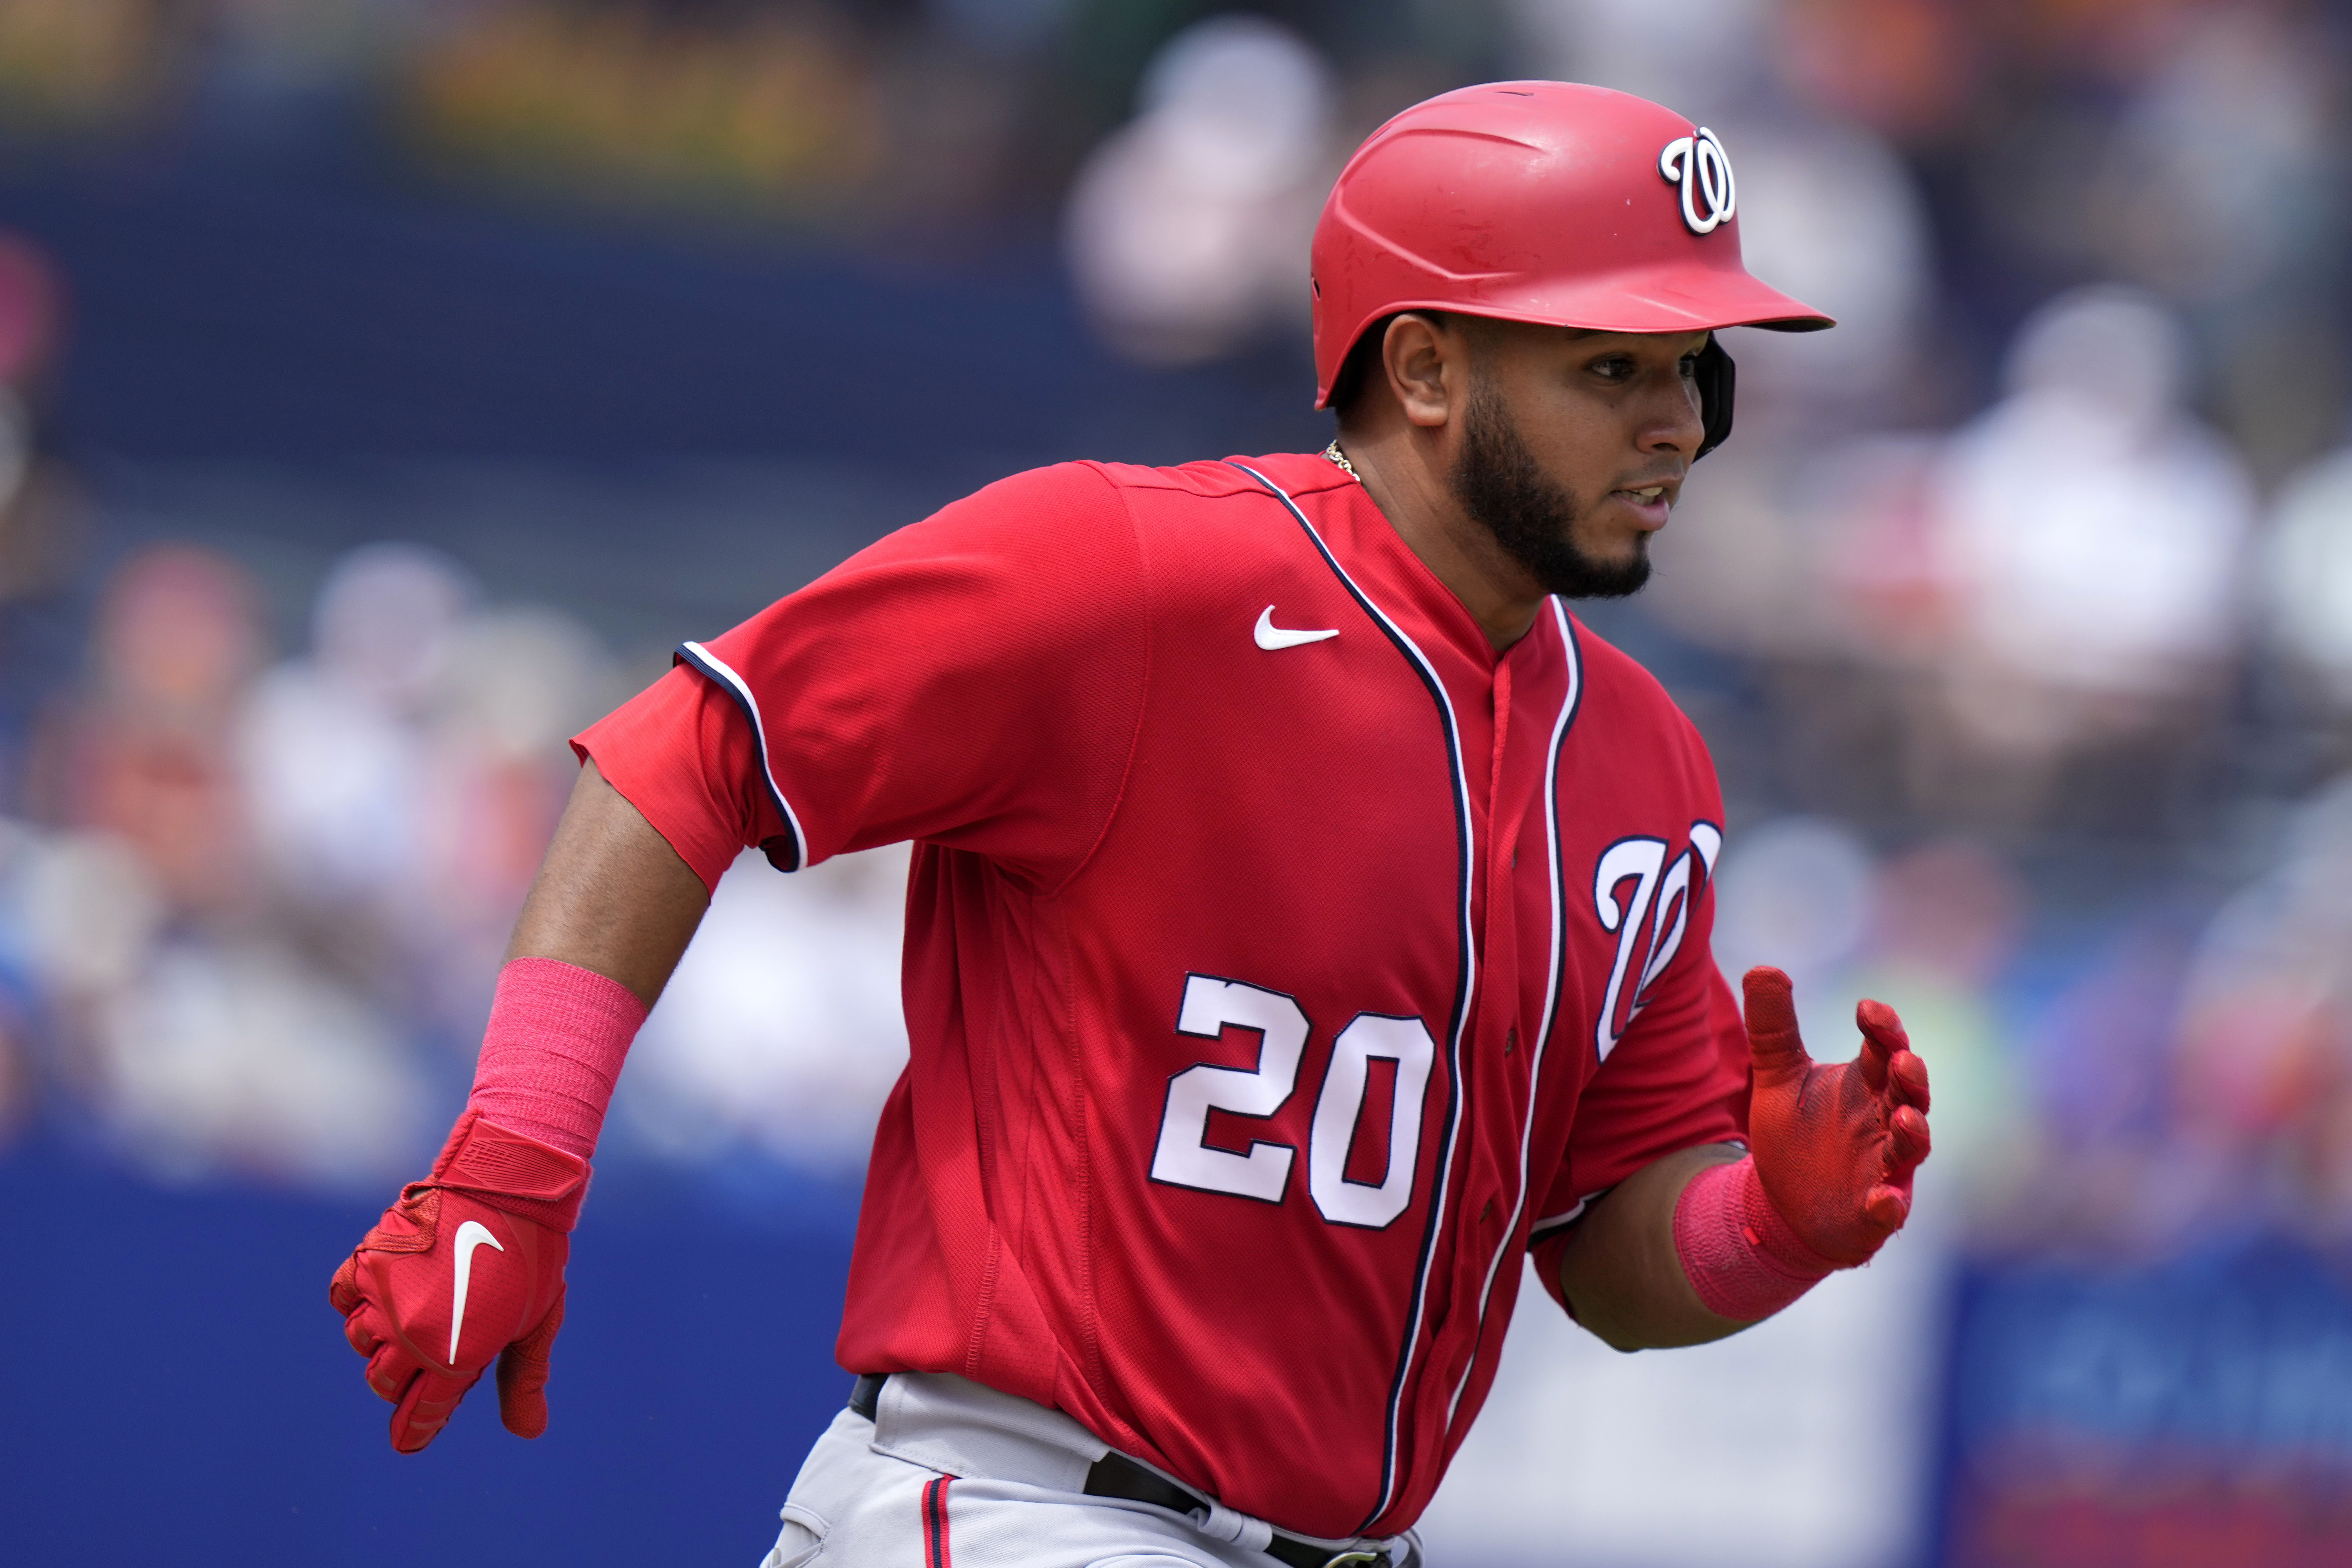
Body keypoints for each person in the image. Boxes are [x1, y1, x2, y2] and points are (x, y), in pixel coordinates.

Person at [330, 82, 1933, 1568]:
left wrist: (1768, 1225)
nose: (1676, 424)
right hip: (1031, 1503)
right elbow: (687, 748)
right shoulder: (1130, 573)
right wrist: (512, 1169)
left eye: (1691, 368)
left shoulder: (1644, 762)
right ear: (1425, 366)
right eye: (1610, 366)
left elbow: (1604, 1256)